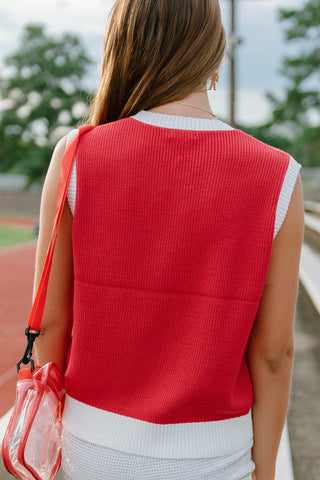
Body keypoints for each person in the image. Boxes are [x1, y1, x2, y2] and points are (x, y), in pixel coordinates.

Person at [33, 0, 304, 479]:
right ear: (215, 55)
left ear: (126, 44)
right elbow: (274, 355)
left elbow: (51, 327)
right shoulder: (278, 174)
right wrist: (263, 472)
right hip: (214, 453)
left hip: (91, 446)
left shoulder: (78, 155)